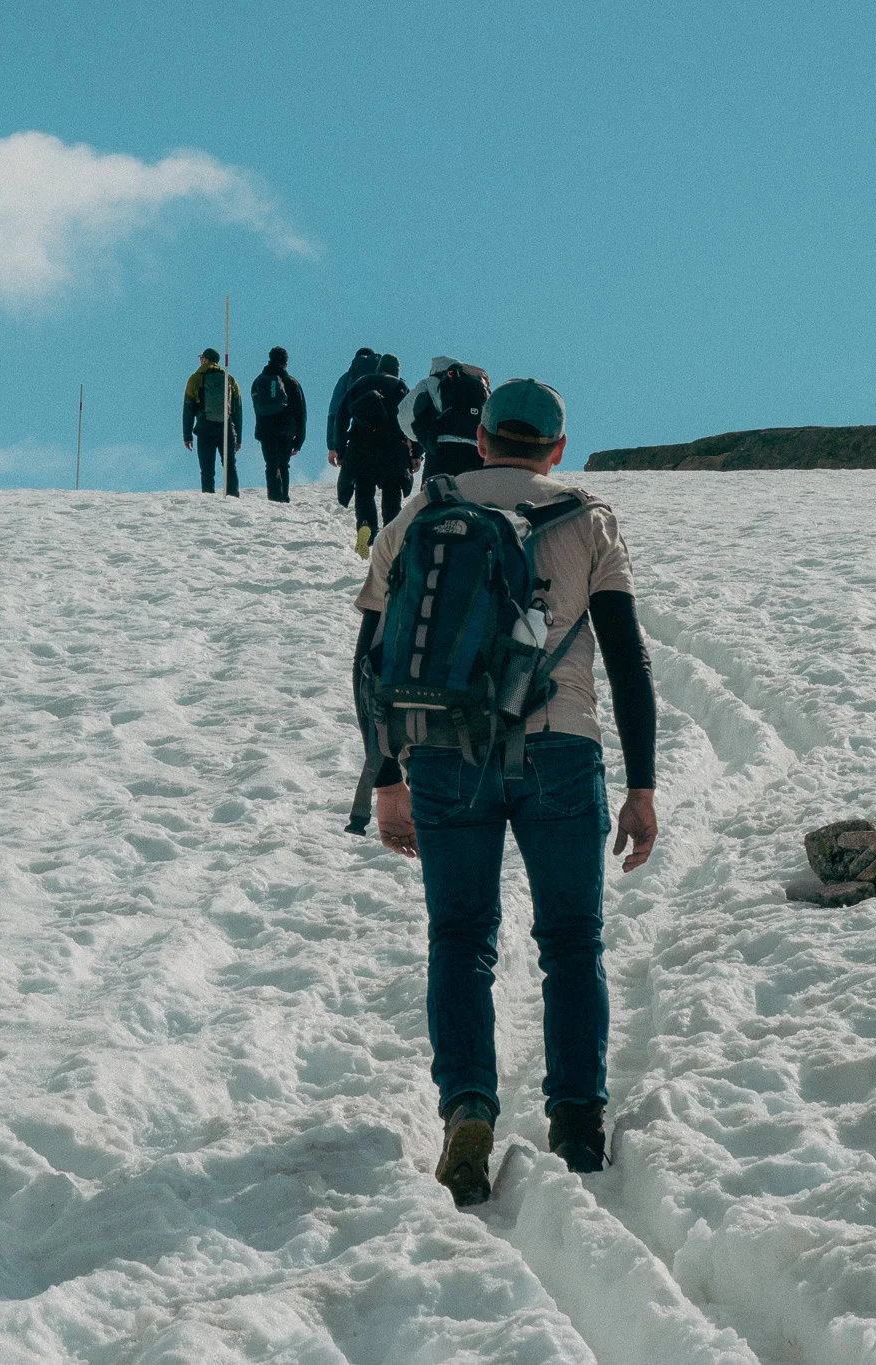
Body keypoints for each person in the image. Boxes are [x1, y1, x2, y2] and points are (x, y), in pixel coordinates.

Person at [352, 377, 658, 1203]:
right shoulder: (590, 519)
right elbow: (627, 659)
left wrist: (386, 780)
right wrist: (643, 784)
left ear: (481, 439)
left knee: (459, 937)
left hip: (448, 755)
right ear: (556, 447)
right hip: (564, 748)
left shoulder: (418, 517)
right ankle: (578, 1118)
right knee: (570, 940)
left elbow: (373, 661)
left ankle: (468, 1106)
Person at [332, 354, 414, 557]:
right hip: (393, 451)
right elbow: (414, 420)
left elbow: (341, 417)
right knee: (391, 496)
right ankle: (391, 538)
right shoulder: (401, 388)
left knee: (364, 493)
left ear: (379, 368)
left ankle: (365, 529)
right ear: (396, 370)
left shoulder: (362, 383)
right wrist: (416, 454)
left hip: (361, 448)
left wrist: (341, 450)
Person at [401, 356, 491, 481]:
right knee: (470, 495)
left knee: (434, 496)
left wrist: (421, 439)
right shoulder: (477, 384)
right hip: (475, 451)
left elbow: (404, 415)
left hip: (441, 450)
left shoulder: (432, 382)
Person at [182, 347, 243, 496]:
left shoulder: (195, 378)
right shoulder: (229, 379)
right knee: (229, 465)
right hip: (226, 427)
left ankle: (209, 499)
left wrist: (187, 436)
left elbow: (188, 408)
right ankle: (233, 496)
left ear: (205, 359)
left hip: (205, 427)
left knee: (207, 468)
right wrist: (238, 437)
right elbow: (238, 409)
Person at [250, 347, 308, 503]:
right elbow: (300, 413)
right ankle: (283, 497)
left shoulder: (258, 382)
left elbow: (257, 408)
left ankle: (274, 498)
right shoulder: (291, 382)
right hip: (286, 431)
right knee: (283, 464)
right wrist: (299, 439)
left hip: (265, 430)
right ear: (285, 363)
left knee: (270, 464)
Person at [325, 347, 378, 509]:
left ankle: (344, 507)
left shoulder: (347, 378)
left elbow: (335, 413)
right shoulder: (382, 377)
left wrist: (333, 446)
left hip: (357, 434)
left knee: (351, 473)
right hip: (382, 435)